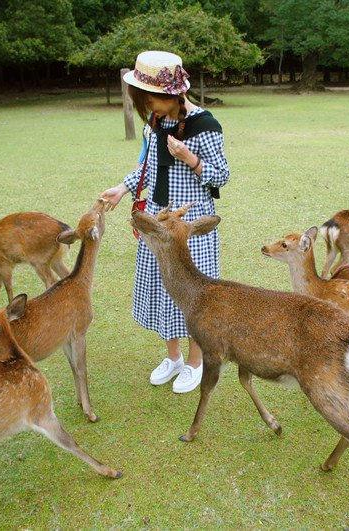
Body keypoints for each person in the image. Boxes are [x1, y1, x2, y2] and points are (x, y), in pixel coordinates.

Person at [100, 51, 230, 393]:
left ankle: (195, 362)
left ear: (175, 94)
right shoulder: (155, 123)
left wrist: (189, 157)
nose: (149, 106)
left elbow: (223, 175)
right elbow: (147, 167)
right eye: (144, 100)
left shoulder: (205, 125)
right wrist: (121, 188)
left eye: (153, 98)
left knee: (193, 294)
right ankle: (172, 357)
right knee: (162, 289)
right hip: (157, 220)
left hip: (191, 226)